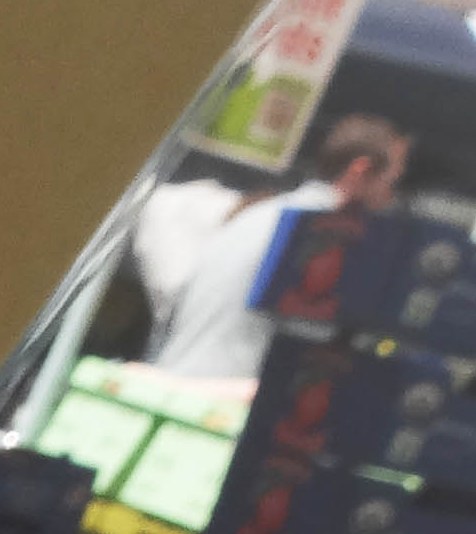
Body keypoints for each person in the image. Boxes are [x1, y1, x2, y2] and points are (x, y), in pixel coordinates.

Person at [147, 115, 412, 381]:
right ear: (360, 171)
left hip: (177, 380)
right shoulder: (320, 233)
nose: (391, 199)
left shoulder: (264, 213)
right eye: (390, 181)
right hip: (222, 399)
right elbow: (311, 348)